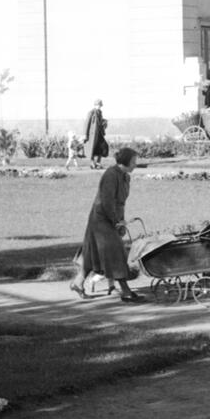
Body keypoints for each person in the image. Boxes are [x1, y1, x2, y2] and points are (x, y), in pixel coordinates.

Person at [69, 147, 145, 303]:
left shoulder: (125, 177)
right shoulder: (111, 175)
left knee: (94, 253)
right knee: (116, 252)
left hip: (112, 218)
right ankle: (125, 291)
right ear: (125, 162)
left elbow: (120, 203)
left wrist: (121, 221)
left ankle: (77, 283)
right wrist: (116, 222)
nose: (135, 165)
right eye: (133, 162)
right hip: (102, 219)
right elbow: (107, 202)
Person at [84, 98, 108, 169]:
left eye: (100, 105)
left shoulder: (100, 112)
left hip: (99, 134)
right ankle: (92, 163)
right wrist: (85, 134)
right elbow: (87, 123)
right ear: (95, 105)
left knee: (103, 147)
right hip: (92, 135)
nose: (99, 106)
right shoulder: (91, 112)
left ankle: (98, 163)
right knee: (92, 149)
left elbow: (100, 122)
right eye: (98, 105)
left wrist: (104, 122)